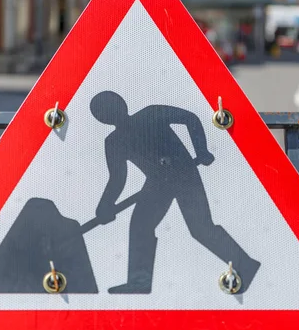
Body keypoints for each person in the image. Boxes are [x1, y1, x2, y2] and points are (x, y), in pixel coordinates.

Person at [90, 91, 261, 295]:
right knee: (140, 227)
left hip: (183, 173)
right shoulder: (114, 141)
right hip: (157, 183)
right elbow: (117, 179)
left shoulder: (151, 114)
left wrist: (201, 150)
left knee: (200, 228)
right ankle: (139, 282)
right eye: (104, 112)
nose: (109, 114)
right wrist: (105, 206)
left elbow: (190, 118)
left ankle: (246, 265)